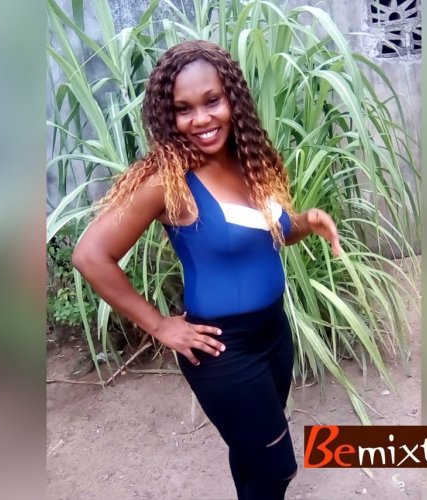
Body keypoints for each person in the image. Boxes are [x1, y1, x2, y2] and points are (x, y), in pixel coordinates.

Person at [72, 40, 342, 500]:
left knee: (250, 452)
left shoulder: (248, 159)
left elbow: (268, 232)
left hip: (273, 333)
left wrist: (305, 222)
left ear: (232, 99)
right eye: (184, 109)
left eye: (212, 101)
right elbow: (90, 255)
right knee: (277, 468)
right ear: (169, 116)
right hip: (223, 350)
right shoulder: (167, 181)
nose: (200, 119)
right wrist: (160, 326)